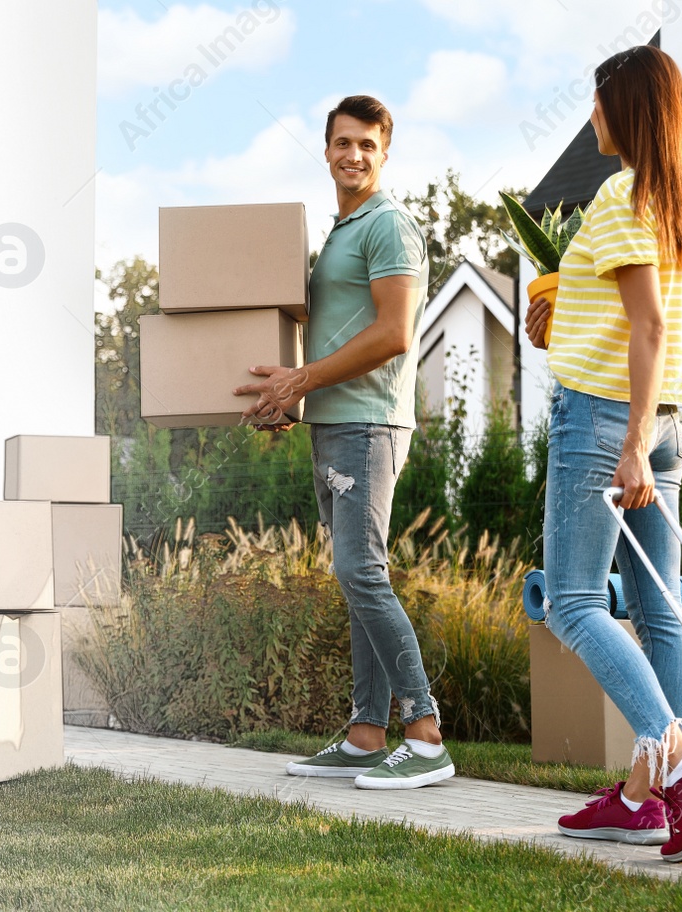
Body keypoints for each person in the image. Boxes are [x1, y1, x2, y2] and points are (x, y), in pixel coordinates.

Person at [528, 45, 682, 862]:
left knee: (574, 602)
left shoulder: (620, 196)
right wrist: (560, 324)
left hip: (611, 424)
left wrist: (632, 443)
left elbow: (647, 327)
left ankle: (679, 768)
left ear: (629, 108)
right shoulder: (679, 205)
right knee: (658, 614)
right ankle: (646, 801)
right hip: (664, 419)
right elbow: (637, 324)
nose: (591, 116)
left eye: (599, 101)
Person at [235, 94, 453, 790]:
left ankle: (424, 734)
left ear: (384, 152)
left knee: (363, 573)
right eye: (342, 143)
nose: (353, 154)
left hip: (370, 424)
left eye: (367, 144)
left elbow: (395, 333)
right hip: (334, 422)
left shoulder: (389, 226)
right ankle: (365, 733)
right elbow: (326, 334)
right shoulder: (341, 231)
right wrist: (287, 397)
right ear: (325, 150)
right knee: (355, 579)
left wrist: (301, 380)